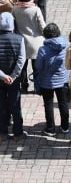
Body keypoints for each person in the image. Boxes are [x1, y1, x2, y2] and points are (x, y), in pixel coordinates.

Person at [34, 22, 70, 136]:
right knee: (63, 103)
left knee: (48, 104)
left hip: (47, 82)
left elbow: (38, 66)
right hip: (63, 79)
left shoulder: (43, 49)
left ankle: (50, 128)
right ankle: (65, 127)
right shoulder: (66, 46)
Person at [12, 0, 45, 93]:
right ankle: (37, 87)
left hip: (21, 42)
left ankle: (24, 85)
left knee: (22, 67)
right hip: (36, 43)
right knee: (37, 67)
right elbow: (42, 27)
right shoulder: (35, 10)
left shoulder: (15, 9)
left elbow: (13, 25)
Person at [0, 11, 26, 140]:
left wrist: (3, 76)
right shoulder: (19, 39)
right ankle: (18, 132)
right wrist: (13, 76)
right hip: (14, 80)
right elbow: (21, 60)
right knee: (15, 105)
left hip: (0, 79)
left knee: (1, 105)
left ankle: (2, 132)